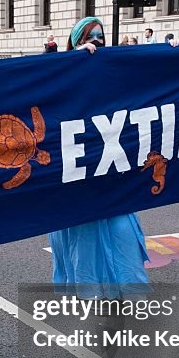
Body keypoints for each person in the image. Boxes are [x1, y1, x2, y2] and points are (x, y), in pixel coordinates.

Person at [51, 17, 152, 299]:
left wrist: (173, 53)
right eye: (89, 36)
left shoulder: (116, 70)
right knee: (84, 240)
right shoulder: (58, 73)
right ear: (74, 42)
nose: (97, 40)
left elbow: (154, 82)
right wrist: (74, 62)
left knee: (123, 233)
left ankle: (128, 291)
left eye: (100, 35)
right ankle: (90, 295)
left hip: (112, 171)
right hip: (77, 174)